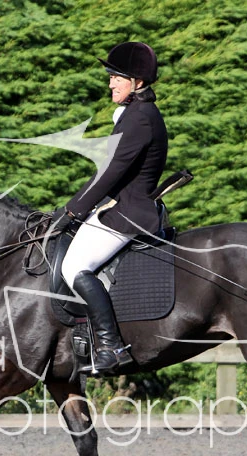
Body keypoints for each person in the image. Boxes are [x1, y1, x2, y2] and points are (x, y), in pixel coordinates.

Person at [52, 41, 168, 376]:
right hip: (118, 206)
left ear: (137, 82)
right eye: (111, 76)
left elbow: (111, 172)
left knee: (74, 266)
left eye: (117, 77)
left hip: (129, 212)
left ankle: (111, 346)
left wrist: (72, 211)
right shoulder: (135, 113)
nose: (110, 83)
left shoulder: (140, 118)